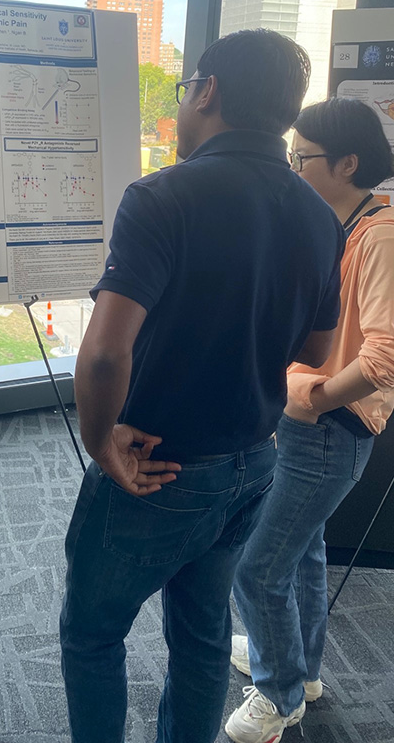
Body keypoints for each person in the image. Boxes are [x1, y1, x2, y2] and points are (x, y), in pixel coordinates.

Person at [59, 28, 346, 743]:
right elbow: (319, 347)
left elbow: (101, 357)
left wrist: (101, 443)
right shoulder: (319, 211)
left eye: (187, 90)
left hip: (158, 464)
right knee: (203, 632)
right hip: (256, 460)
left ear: (207, 91)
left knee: (92, 634)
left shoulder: (161, 196)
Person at [226, 97, 394, 743]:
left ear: (348, 162)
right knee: (303, 554)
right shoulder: (337, 221)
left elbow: (383, 356)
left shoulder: (379, 236)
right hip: (306, 423)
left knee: (256, 566)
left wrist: (318, 398)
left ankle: (279, 695)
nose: (294, 166)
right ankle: (303, 670)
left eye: (304, 157)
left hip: (331, 429)